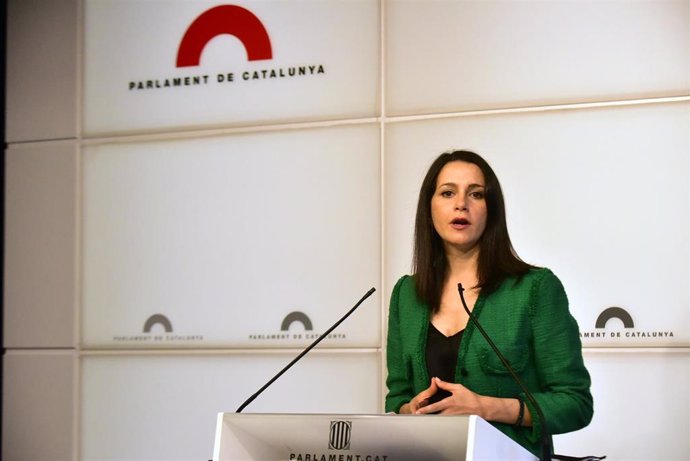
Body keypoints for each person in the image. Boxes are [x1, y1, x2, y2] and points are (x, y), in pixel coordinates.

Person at [385, 150, 593, 457]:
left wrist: (484, 407)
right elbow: (396, 399)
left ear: (491, 209)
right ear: (429, 207)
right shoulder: (406, 294)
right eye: (447, 193)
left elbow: (575, 404)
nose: (461, 204)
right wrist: (408, 410)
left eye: (476, 194)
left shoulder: (535, 289)